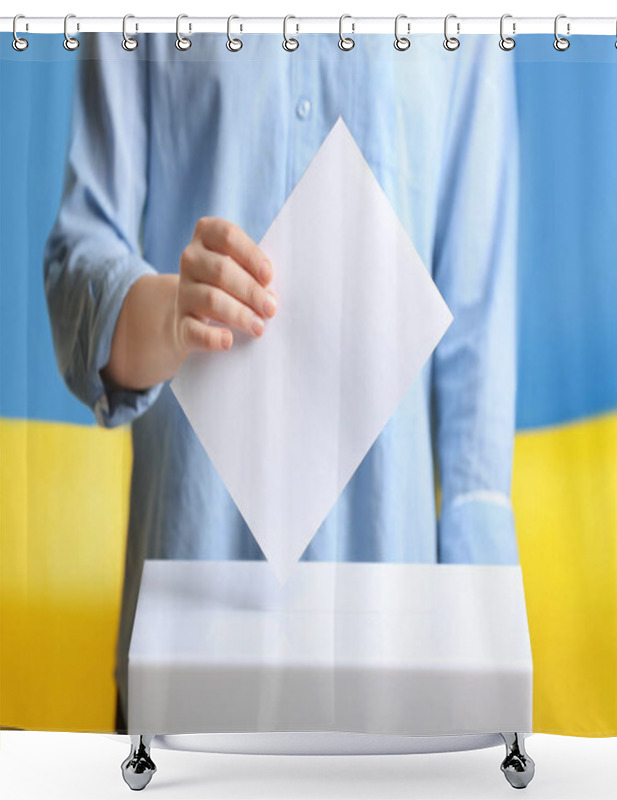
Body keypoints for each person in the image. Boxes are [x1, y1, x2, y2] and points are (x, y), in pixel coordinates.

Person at [44, 32, 520, 731]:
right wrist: (171, 310)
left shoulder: (471, 32)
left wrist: (490, 638)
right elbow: (78, 258)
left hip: (394, 627)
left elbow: (476, 323)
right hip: (188, 595)